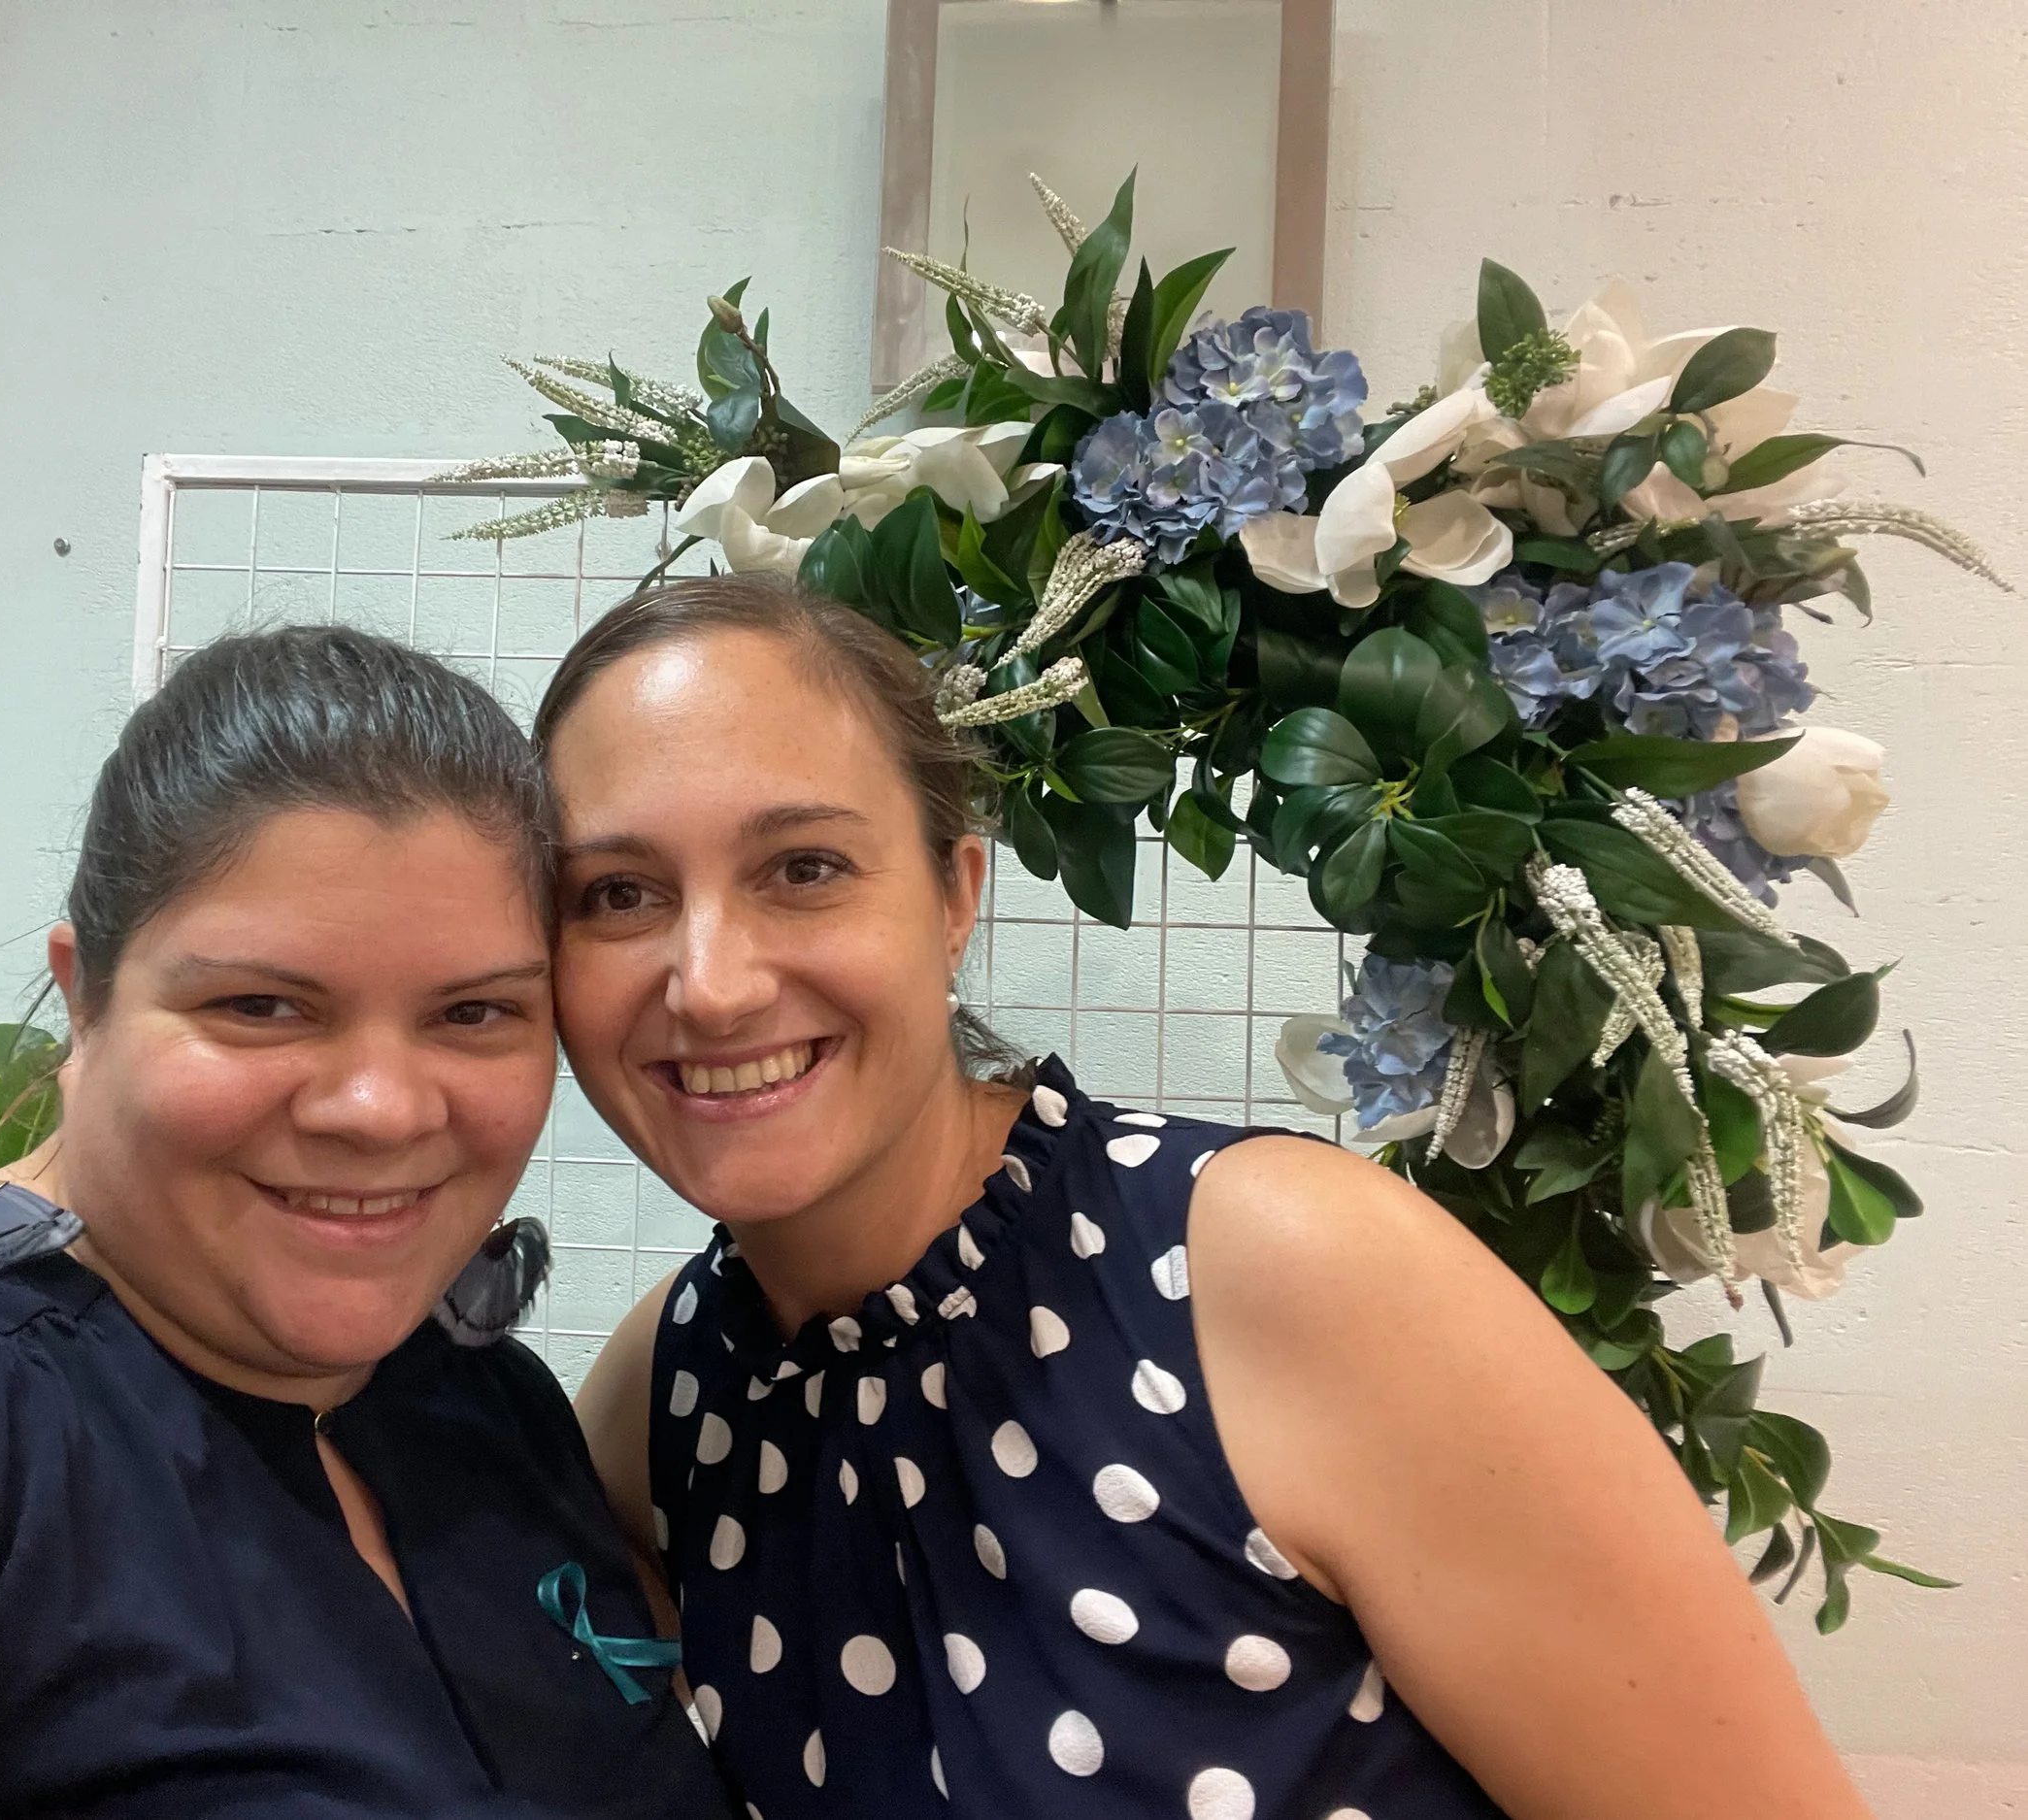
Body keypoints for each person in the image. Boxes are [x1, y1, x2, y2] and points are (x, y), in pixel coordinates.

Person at [536, 577, 1871, 1820]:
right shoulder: (668, 1393)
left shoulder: (1283, 1270)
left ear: (954, 892)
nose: (708, 981)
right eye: (619, 893)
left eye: (804, 867)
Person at [0, 627, 734, 1820]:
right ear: (83, 993)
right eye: (260, 1005)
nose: (381, 1109)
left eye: (473, 1012)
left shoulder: (486, 1411)